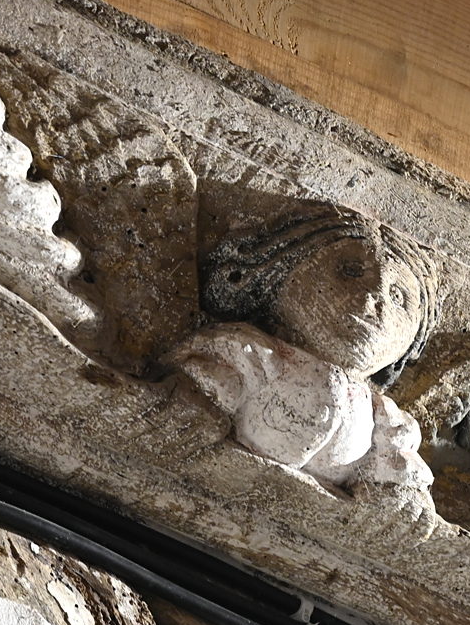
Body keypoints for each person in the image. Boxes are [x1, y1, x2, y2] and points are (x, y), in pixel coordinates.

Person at [169, 206, 440, 502]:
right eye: (350, 271)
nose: (377, 297)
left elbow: (398, 497)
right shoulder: (245, 353)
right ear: (276, 274)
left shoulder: (385, 423)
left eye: (398, 296)